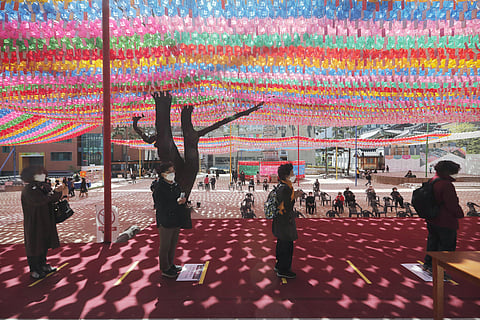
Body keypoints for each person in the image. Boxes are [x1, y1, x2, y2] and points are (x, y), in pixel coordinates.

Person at [21, 166, 68, 279]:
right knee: (34, 245)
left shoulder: (42, 186)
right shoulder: (29, 189)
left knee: (44, 243)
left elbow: (51, 196)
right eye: (39, 173)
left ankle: (42, 265)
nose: (43, 175)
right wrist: (58, 193)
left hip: (46, 220)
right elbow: (42, 199)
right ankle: (34, 269)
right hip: (34, 222)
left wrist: (58, 192)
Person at [423, 161, 464, 275]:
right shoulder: (446, 184)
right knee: (446, 246)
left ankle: (428, 264)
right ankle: (439, 270)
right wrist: (459, 214)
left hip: (432, 218)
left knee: (433, 242)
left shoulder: (433, 180)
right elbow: (452, 204)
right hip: (445, 220)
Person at [153, 162, 186, 278]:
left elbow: (177, 199)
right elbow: (160, 205)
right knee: (165, 245)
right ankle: (165, 268)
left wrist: (182, 201)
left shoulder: (175, 185)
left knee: (173, 244)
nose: (172, 174)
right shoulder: (159, 187)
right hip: (165, 219)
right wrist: (176, 202)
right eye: (170, 172)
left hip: (175, 219)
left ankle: (170, 264)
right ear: (163, 174)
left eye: (173, 171)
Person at [272, 163, 303, 279]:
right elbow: (286, 205)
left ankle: (279, 265)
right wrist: (295, 197)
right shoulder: (285, 188)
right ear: (286, 174)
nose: (293, 172)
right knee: (286, 245)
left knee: (282, 243)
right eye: (291, 171)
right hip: (284, 221)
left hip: (281, 220)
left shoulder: (284, 186)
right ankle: (283, 269)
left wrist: (294, 195)